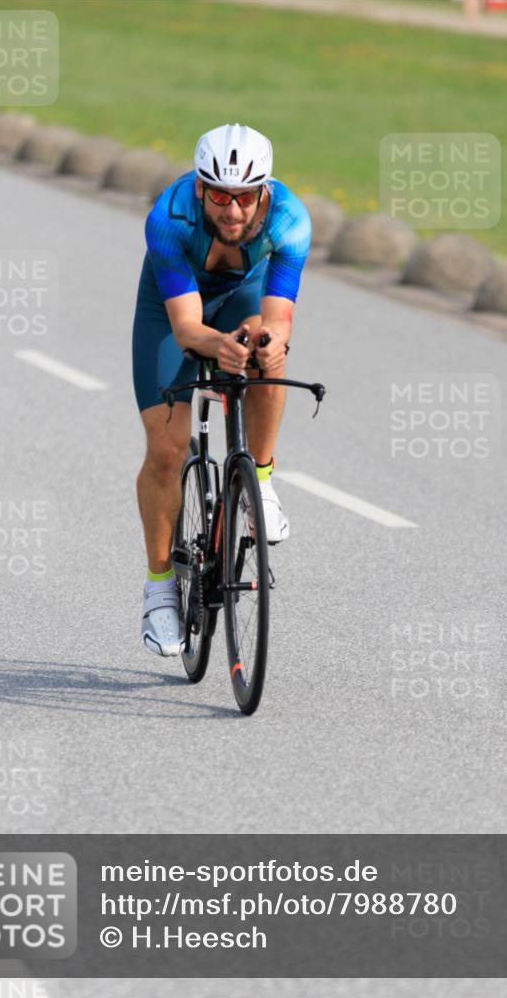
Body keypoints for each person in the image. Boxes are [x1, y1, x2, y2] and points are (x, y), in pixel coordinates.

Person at [132, 123, 311, 656]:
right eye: (219, 197)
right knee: (166, 450)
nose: (232, 212)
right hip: (170, 312)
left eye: (244, 199)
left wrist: (268, 343)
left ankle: (260, 478)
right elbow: (187, 330)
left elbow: (279, 317)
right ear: (199, 190)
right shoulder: (169, 219)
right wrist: (217, 346)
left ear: (265, 193)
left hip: (240, 296)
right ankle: (159, 589)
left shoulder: (290, 222)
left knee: (265, 359)